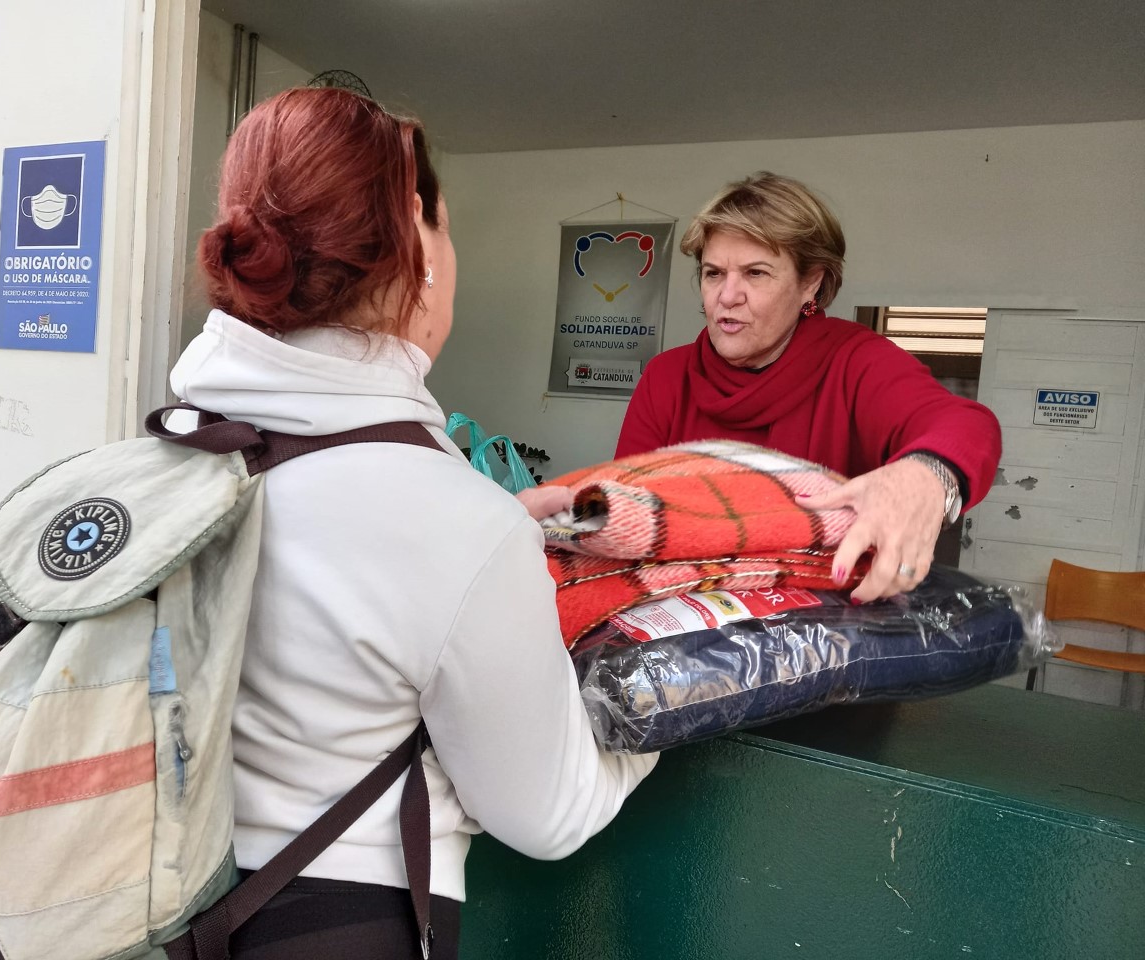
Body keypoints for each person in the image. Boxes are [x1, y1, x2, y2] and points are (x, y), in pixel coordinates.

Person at [174, 87, 656, 959]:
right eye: (445, 225)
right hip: (332, 927)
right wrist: (664, 717)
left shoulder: (175, 445)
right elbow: (550, 814)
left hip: (152, 905)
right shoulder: (451, 524)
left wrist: (489, 538)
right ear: (418, 248)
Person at [615, 172, 1001, 603]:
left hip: (826, 629)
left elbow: (965, 425)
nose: (727, 295)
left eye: (755, 273)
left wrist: (926, 476)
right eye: (713, 273)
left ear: (810, 283)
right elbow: (626, 511)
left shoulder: (856, 361)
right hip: (682, 617)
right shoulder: (667, 377)